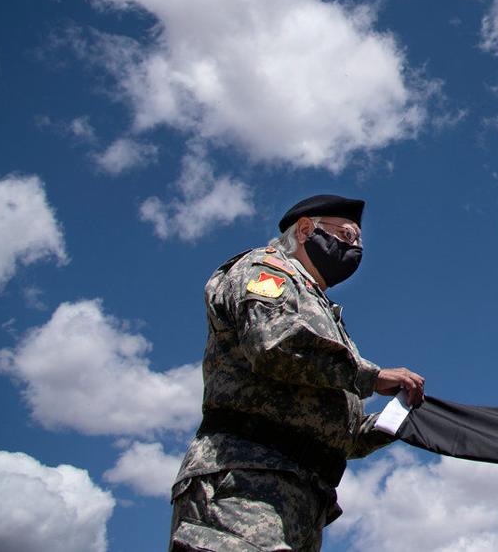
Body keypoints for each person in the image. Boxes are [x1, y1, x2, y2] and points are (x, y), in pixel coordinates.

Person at [169, 194, 426, 552]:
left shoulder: (323, 310)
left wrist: (392, 423)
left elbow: (335, 433)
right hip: (243, 483)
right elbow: (274, 344)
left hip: (301, 497)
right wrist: (372, 376)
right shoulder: (266, 270)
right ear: (306, 230)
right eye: (348, 236)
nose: (355, 250)